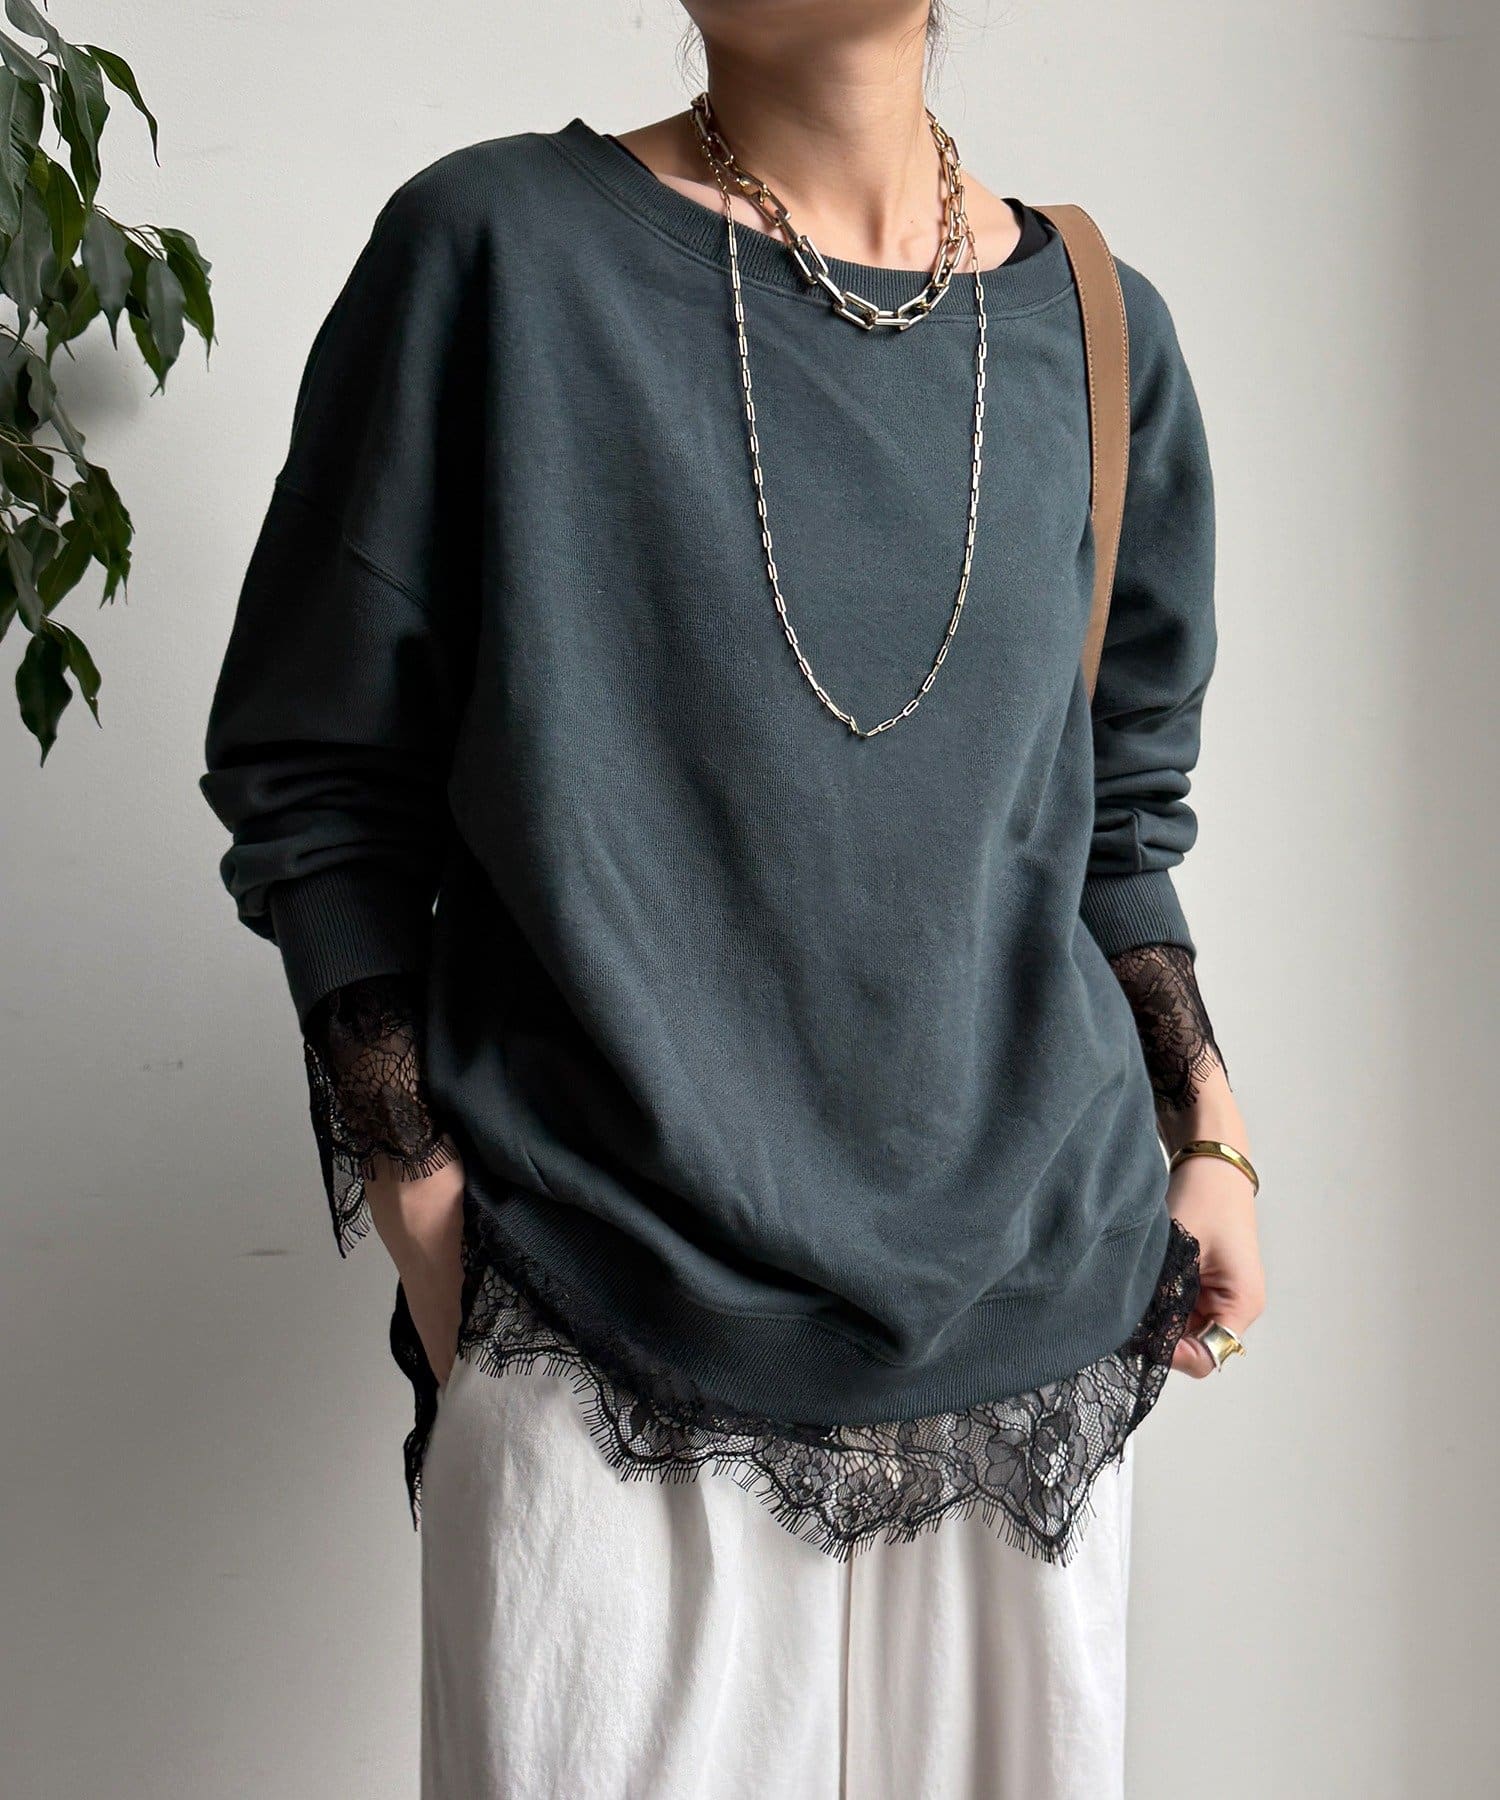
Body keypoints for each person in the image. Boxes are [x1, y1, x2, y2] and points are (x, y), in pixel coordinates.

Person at [201, 2, 1266, 1793]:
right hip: (601, 1327)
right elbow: (318, 775)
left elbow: (1116, 820)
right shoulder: (495, 254)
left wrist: (1210, 1132)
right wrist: (423, 1200)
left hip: (1036, 1342)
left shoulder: (1101, 331)